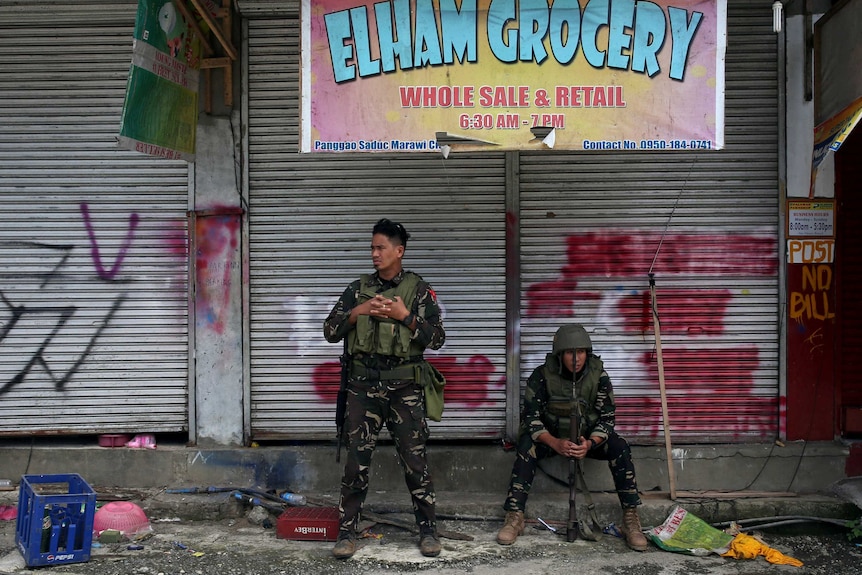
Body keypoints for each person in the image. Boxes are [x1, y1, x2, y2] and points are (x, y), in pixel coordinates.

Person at [323, 218, 446, 559]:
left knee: (415, 462)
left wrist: (406, 316)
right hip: (362, 388)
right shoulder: (358, 289)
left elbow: (437, 339)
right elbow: (329, 330)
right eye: (372, 248)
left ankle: (428, 531)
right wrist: (357, 312)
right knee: (355, 464)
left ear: (399, 251)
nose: (374, 254)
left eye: (381, 248)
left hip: (405, 389)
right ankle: (347, 533)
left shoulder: (419, 291)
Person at [496, 324, 648, 552]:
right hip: (553, 439)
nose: (576, 359)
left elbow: (607, 418)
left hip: (585, 441)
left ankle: (631, 518)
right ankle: (514, 515)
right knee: (526, 444)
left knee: (620, 446)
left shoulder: (599, 376)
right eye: (570, 352)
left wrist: (590, 443)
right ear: (560, 354)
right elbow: (531, 418)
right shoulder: (542, 376)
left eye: (581, 352)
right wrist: (554, 442)